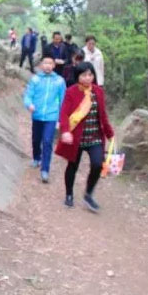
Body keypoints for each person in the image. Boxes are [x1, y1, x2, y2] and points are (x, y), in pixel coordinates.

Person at [55, 62, 114, 211]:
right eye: (83, 75)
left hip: (95, 136)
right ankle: (69, 194)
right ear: (78, 76)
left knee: (97, 164)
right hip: (77, 137)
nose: (87, 78)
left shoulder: (98, 92)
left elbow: (103, 115)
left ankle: (88, 194)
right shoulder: (71, 92)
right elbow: (64, 113)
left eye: (90, 74)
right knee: (72, 166)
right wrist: (65, 131)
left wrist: (110, 134)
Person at [23, 52, 66, 183]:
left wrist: (61, 119)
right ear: (41, 64)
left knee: (47, 141)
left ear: (54, 65)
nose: (47, 65)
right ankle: (37, 158)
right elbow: (28, 95)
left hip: (51, 116)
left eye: (50, 63)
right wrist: (29, 104)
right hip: (37, 115)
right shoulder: (35, 79)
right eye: (45, 63)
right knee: (36, 139)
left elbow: (63, 100)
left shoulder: (59, 81)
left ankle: (45, 170)